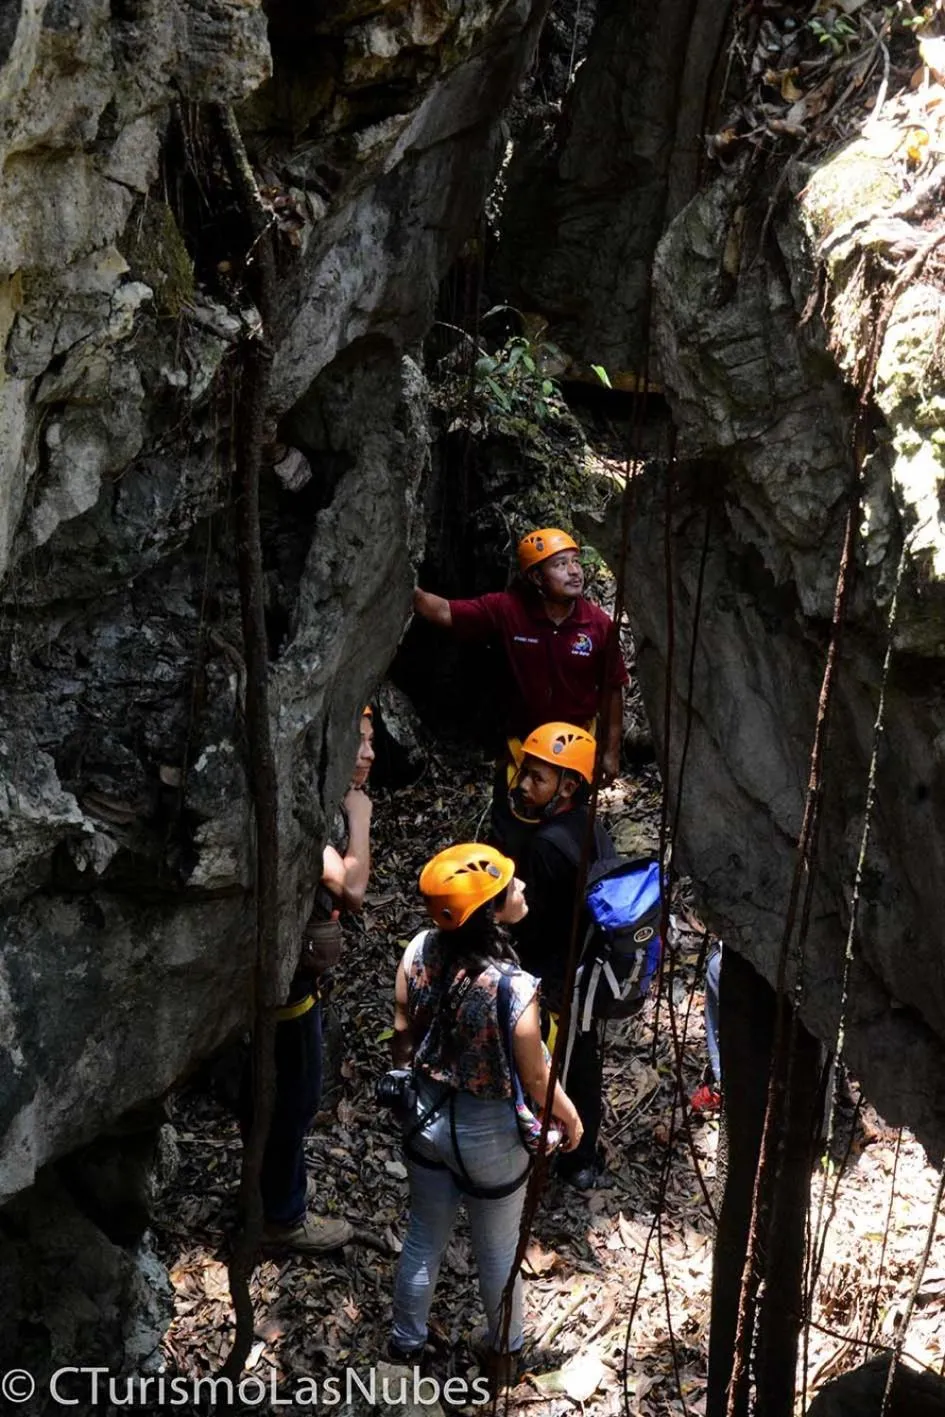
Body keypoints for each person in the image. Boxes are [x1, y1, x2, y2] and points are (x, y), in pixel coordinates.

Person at [388, 843, 583, 1382]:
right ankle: (504, 1353)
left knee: (425, 1234)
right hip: (488, 1137)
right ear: (487, 912)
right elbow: (537, 1079)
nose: (520, 889)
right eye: (508, 889)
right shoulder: (514, 990)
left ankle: (405, 1346)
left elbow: (403, 1042)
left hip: (426, 1120)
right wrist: (570, 1117)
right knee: (497, 1250)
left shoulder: (418, 951)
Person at [412, 527, 628, 853]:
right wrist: (398, 585)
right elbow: (444, 611)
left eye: (575, 562)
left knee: (570, 840)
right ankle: (510, 899)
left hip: (575, 751)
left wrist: (611, 752)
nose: (574, 571)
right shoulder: (508, 610)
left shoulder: (597, 625)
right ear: (537, 578)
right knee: (511, 839)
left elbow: (613, 689)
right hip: (522, 750)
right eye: (560, 565)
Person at [248, 707, 375, 1253]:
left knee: (288, 1096)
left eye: (371, 743)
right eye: (359, 741)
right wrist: (361, 817)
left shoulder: (322, 803)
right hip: (284, 988)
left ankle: (272, 1196)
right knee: (294, 1097)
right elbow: (350, 885)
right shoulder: (314, 813)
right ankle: (283, 1217)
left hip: (290, 977)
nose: (368, 753)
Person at [508, 722, 615, 1191]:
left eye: (538, 778)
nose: (524, 785)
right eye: (525, 774)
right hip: (592, 969)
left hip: (555, 976)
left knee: (548, 1066)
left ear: (568, 786)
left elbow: (531, 924)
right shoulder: (591, 826)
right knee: (583, 1060)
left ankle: (551, 1158)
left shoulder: (546, 846)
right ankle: (582, 1159)